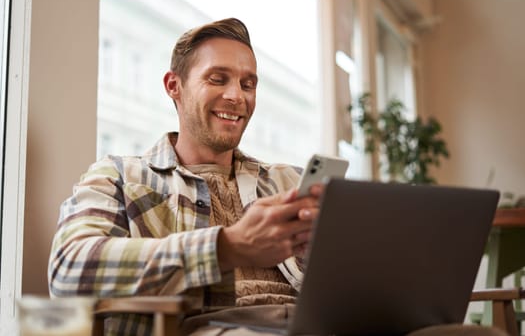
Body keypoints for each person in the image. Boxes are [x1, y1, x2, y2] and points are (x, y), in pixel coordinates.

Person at [48, 18, 505, 336]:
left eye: (248, 84)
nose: (237, 96)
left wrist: (338, 256)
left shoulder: (288, 181)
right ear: (175, 86)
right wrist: (227, 247)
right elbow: (69, 270)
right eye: (218, 78)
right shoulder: (120, 176)